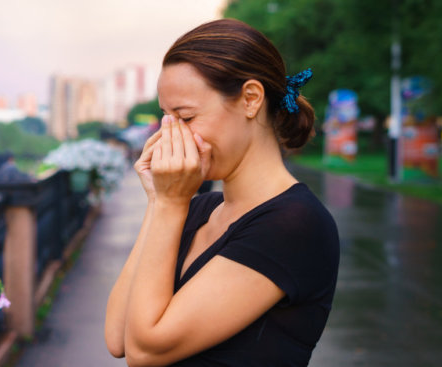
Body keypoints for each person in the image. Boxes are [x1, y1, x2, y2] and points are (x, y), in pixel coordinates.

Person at [104, 19, 339, 367]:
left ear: (250, 99)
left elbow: (145, 351)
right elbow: (118, 336)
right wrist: (158, 201)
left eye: (185, 118)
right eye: (166, 119)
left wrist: (170, 204)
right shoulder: (199, 208)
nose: (172, 138)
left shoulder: (293, 223)